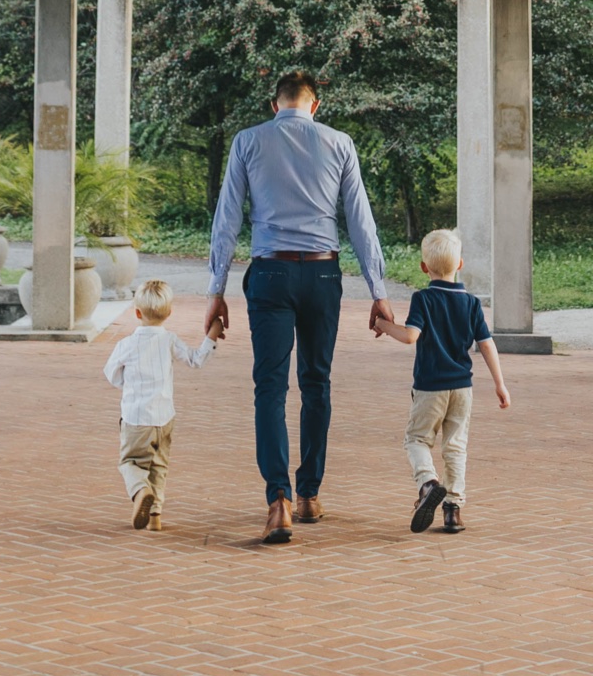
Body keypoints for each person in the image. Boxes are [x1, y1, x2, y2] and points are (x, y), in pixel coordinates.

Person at [204, 70, 392, 545]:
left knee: (269, 386)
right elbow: (361, 221)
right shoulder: (340, 143)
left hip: (270, 273)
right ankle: (308, 493)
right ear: (316, 105)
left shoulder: (248, 142)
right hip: (324, 274)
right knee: (316, 382)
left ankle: (279, 502)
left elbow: (227, 218)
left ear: (275, 105)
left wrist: (215, 290)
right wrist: (379, 291)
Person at [372, 228, 511, 534]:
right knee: (455, 446)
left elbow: (410, 336)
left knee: (417, 439)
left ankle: (427, 483)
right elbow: (486, 344)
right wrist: (500, 384)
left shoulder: (423, 299)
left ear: (424, 267)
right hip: (463, 388)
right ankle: (453, 510)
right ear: (460, 264)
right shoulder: (471, 303)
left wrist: (384, 324)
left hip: (429, 387)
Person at [101, 280, 217, 533]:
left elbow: (111, 375)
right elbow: (196, 360)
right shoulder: (170, 340)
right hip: (164, 418)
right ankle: (155, 517)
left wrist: (128, 384)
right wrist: (211, 337)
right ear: (169, 313)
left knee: (130, 462)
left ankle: (141, 491)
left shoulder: (126, 345)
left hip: (136, 418)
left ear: (137, 313)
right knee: (159, 466)